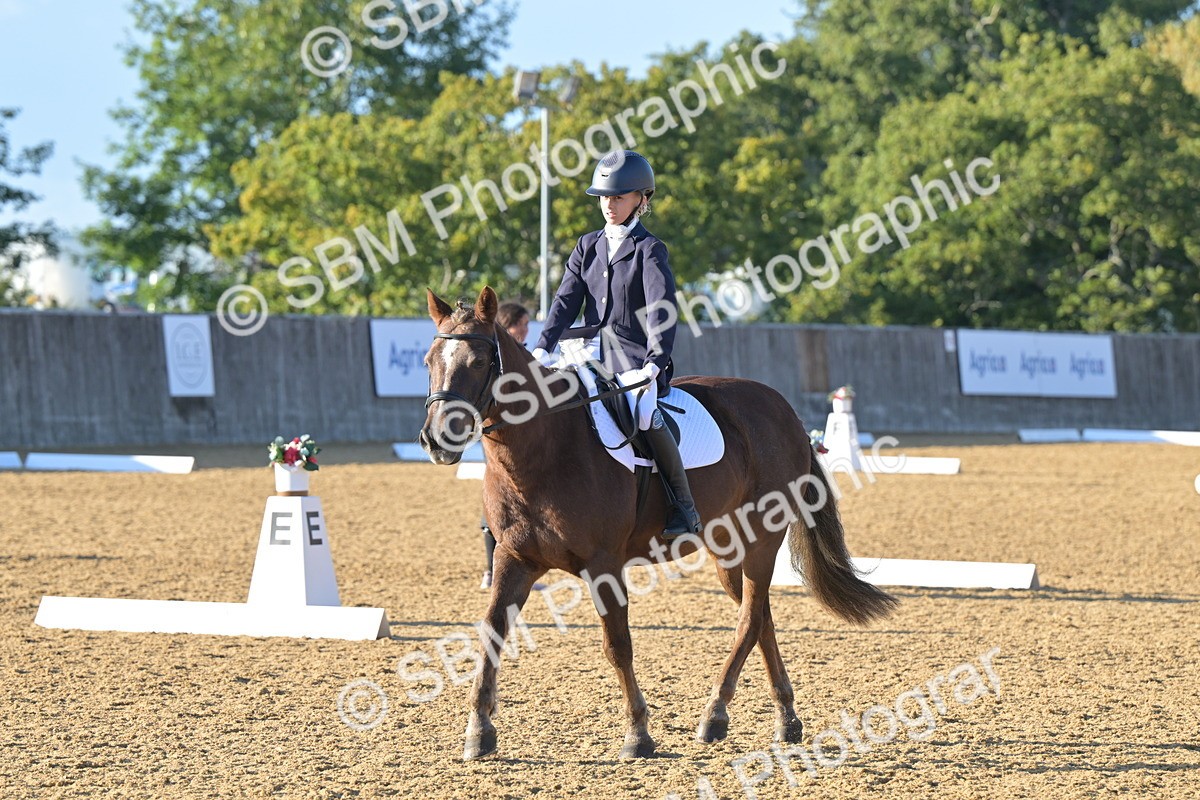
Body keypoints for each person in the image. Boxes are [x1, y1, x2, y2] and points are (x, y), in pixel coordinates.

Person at [531, 150, 702, 539]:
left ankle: (683, 505)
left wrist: (655, 362)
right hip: (585, 352)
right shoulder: (586, 246)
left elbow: (661, 311)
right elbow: (564, 303)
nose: (609, 204)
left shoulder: (649, 250)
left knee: (643, 414)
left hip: (634, 359)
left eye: (619, 197)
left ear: (643, 200)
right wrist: (542, 347)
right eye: (604, 197)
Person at [479, 302, 546, 590]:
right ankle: (492, 571)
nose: (526, 329)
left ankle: (495, 571)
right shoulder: (499, 352)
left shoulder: (520, 350)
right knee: (497, 500)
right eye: (524, 324)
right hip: (503, 435)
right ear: (511, 324)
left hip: (513, 434)